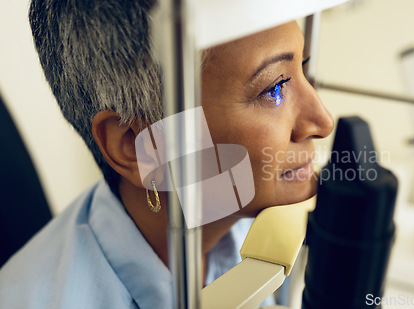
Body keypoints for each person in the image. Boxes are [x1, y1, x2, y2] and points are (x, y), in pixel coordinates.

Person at [0, 0, 334, 307]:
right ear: (137, 145)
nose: (322, 121)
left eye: (303, 67)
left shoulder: (238, 213)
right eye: (274, 88)